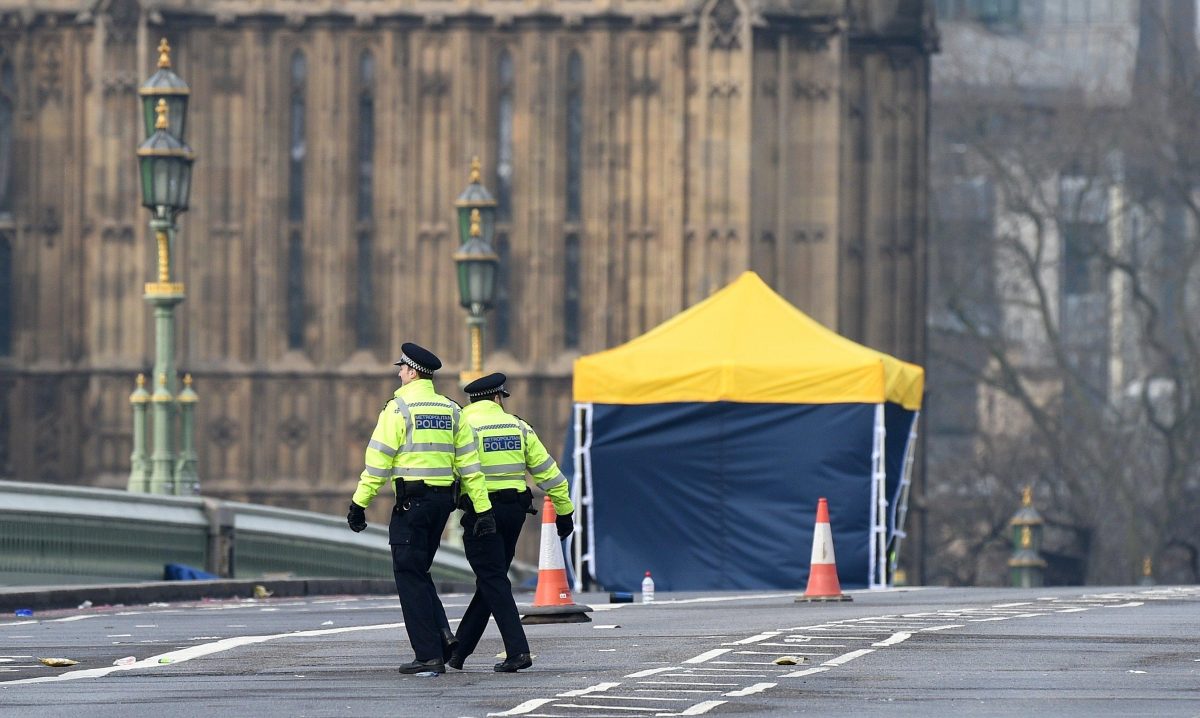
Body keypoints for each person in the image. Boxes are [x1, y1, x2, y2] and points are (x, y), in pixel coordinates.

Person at [346, 343, 494, 676]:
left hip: (411, 504)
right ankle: (443, 635)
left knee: (408, 573)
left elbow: (378, 462)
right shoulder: (452, 410)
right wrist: (483, 509)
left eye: (401, 368)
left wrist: (359, 503)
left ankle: (428, 655)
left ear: (412, 372)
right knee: (419, 569)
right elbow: (469, 464)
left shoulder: (398, 409)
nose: (399, 373)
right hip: (442, 504)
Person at [448, 372, 575, 673]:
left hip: (483, 513)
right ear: (497, 397)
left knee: (492, 579)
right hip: (515, 512)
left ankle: (518, 651)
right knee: (492, 580)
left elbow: (451, 472)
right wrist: (564, 511)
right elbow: (548, 472)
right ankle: (458, 652)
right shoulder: (518, 426)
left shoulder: (462, 425)